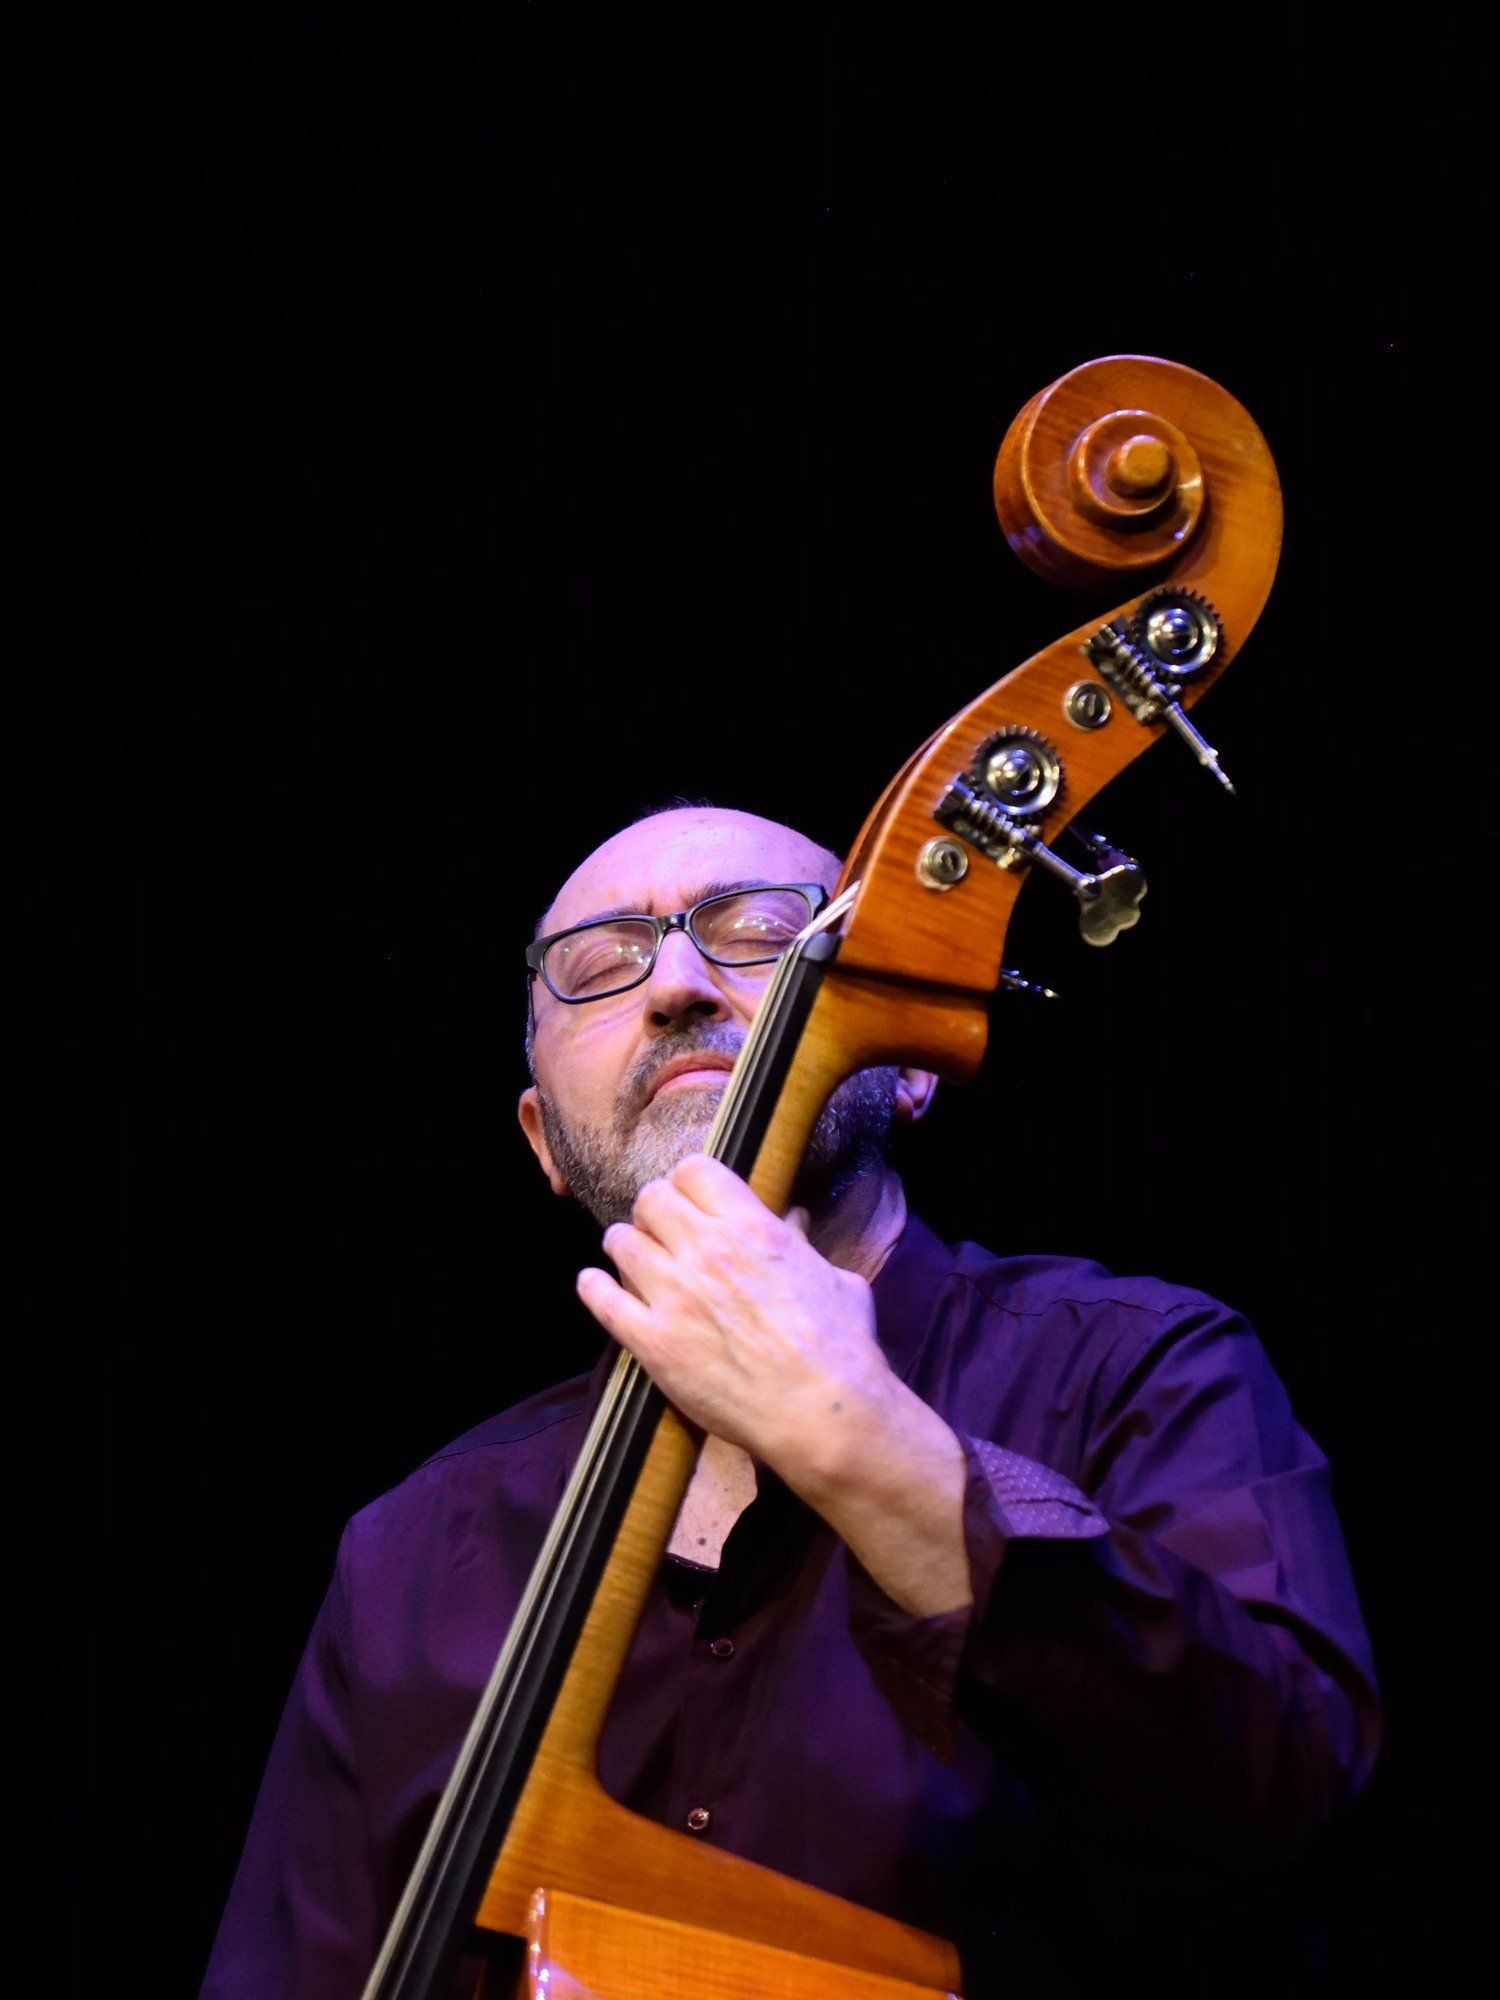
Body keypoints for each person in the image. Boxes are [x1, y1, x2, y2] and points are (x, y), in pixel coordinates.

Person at [200, 804, 1380, 2000]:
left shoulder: (1139, 1370)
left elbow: (1274, 1781)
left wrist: (858, 1432)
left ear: (909, 1063)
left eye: (762, 933)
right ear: (543, 1138)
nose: (675, 984)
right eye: (600, 965)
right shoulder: (407, 1554)